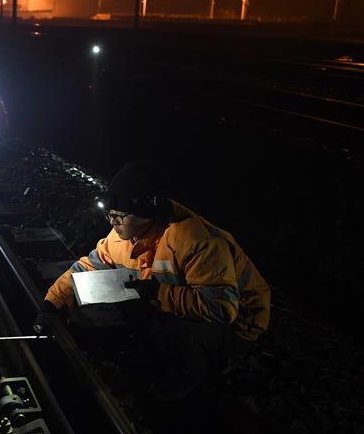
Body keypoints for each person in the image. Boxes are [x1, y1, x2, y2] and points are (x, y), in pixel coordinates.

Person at [34, 161, 270, 400]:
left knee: (164, 326)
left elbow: (222, 308)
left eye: (120, 216)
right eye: (109, 213)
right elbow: (86, 267)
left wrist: (158, 293)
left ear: (148, 213)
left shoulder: (196, 241)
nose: (113, 222)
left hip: (238, 322)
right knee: (124, 294)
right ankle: (158, 350)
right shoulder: (122, 236)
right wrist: (52, 304)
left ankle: (187, 377)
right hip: (176, 299)